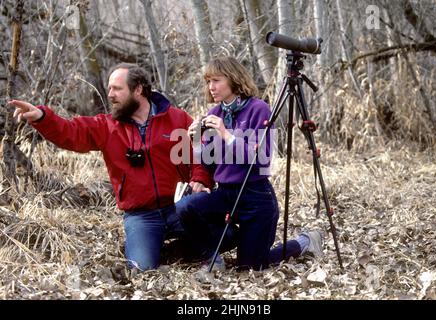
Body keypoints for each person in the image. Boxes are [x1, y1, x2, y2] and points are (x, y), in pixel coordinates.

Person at [8, 63, 235, 271]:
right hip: (141, 216)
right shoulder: (107, 126)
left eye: (117, 89)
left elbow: (198, 154)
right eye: (109, 89)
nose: (110, 95)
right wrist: (41, 117)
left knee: (231, 234)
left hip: (178, 208)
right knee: (141, 268)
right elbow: (71, 132)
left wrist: (200, 179)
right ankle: (159, 248)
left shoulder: (176, 119)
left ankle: (180, 250)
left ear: (138, 90)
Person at [177, 56, 324, 271]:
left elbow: (262, 159)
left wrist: (226, 134)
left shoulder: (259, 109)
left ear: (233, 79)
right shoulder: (214, 113)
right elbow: (209, 165)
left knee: (251, 266)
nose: (211, 87)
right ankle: (213, 257)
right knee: (186, 207)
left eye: (216, 80)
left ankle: (305, 242)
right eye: (208, 81)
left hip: (256, 197)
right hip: (226, 194)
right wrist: (196, 141)